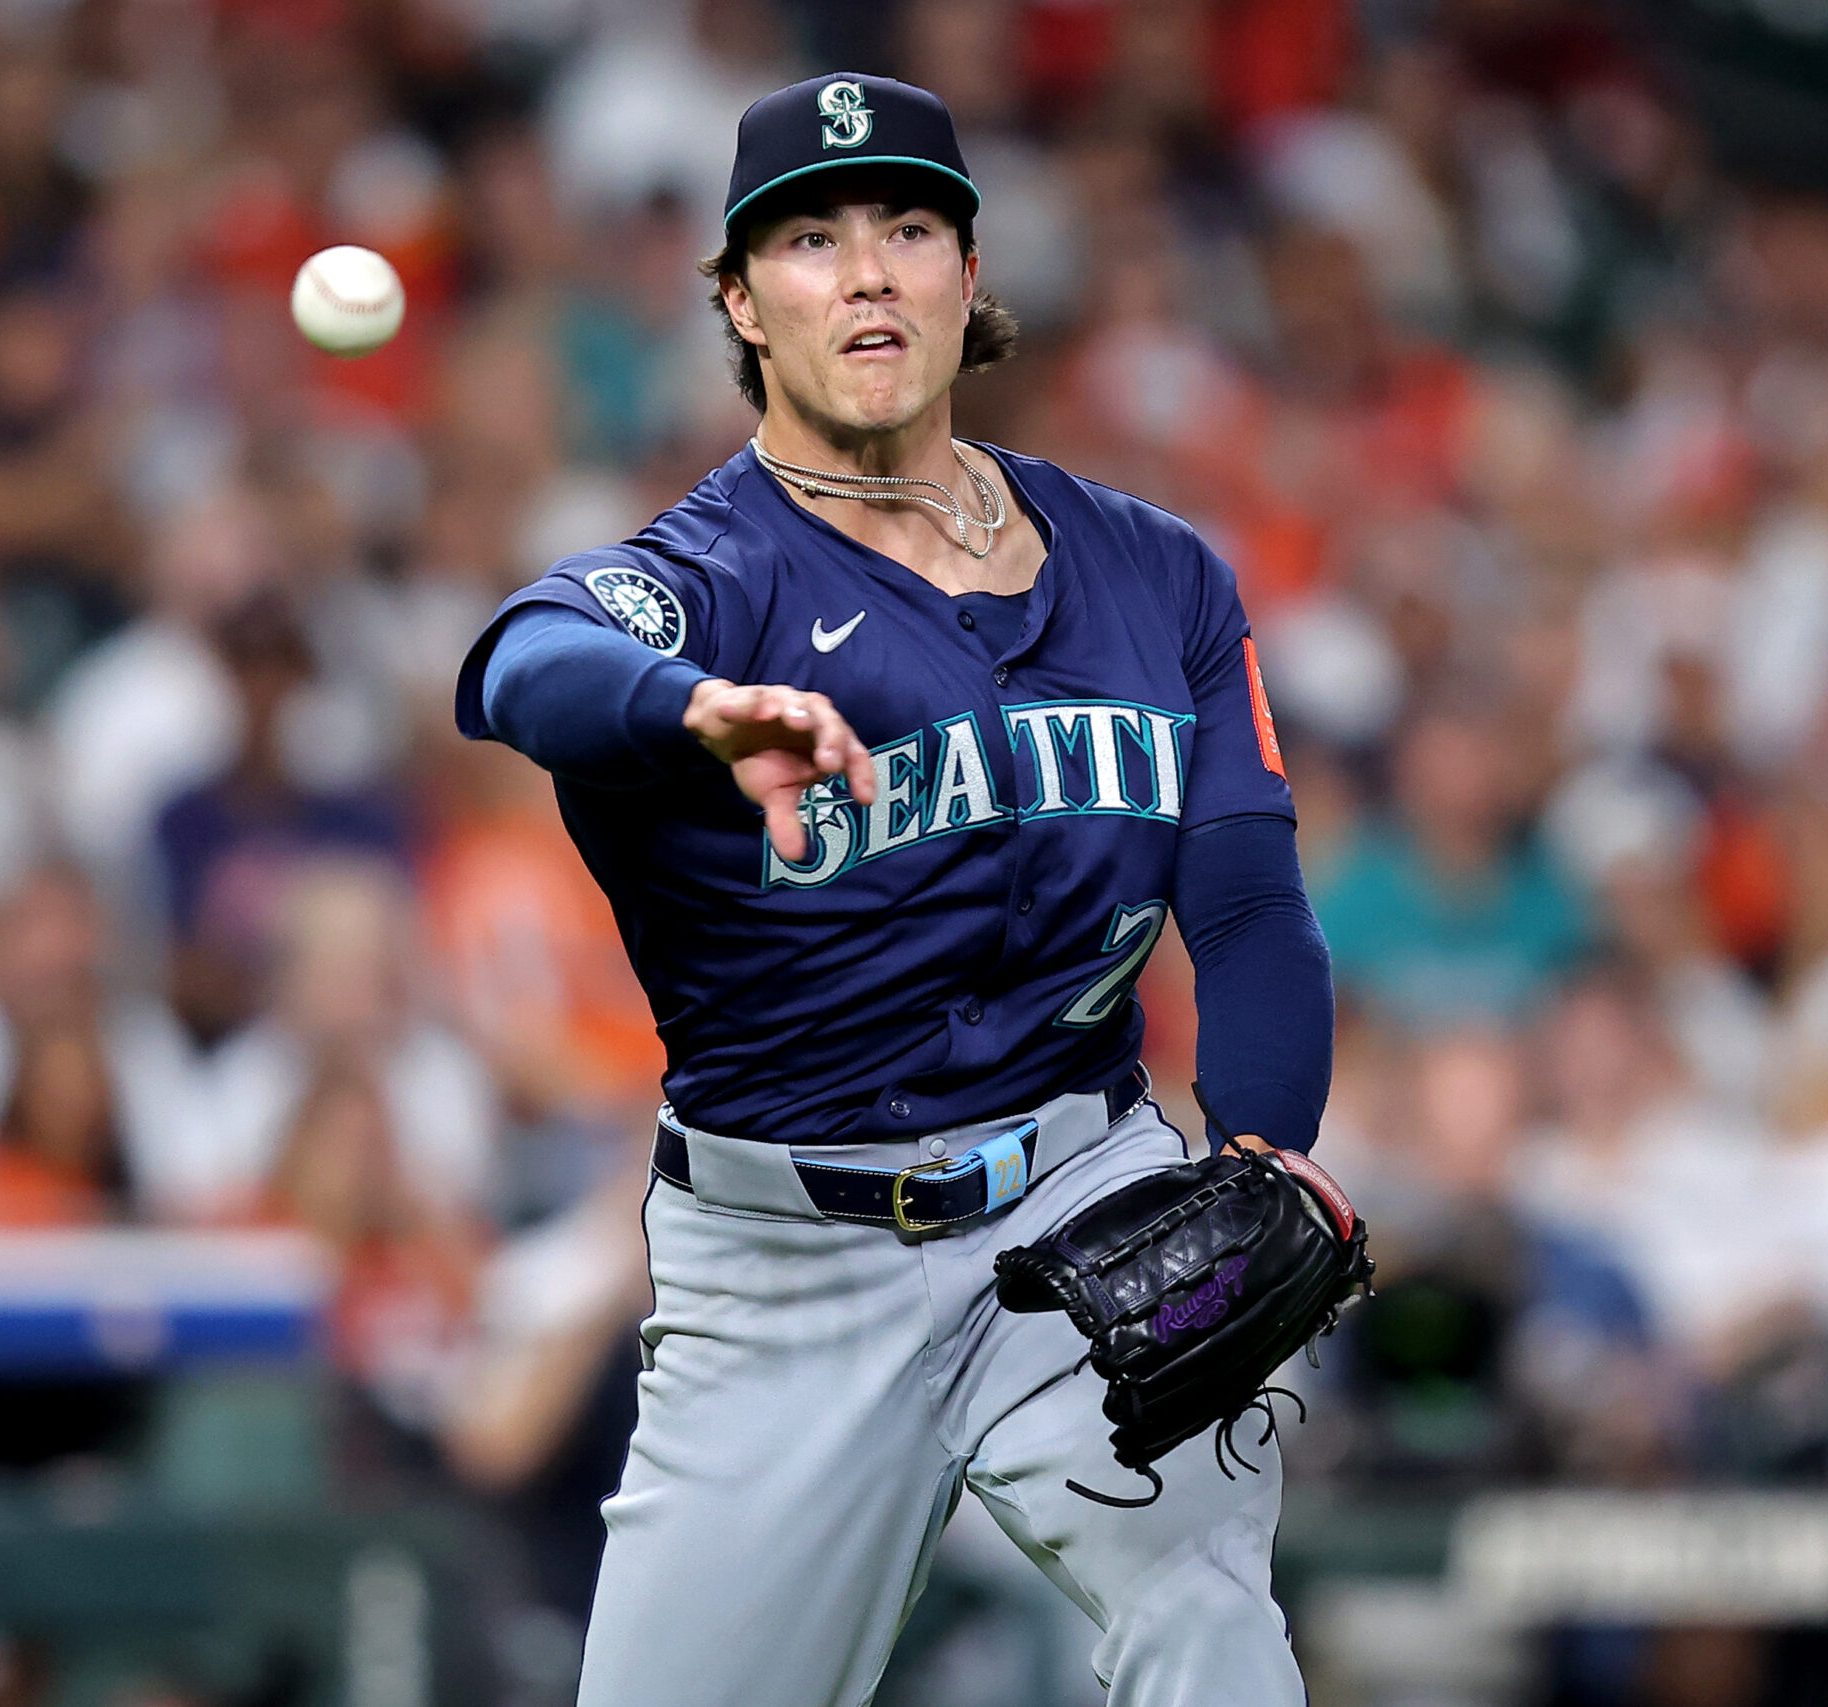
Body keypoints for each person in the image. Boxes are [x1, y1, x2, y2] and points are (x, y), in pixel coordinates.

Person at [455, 74, 1332, 1707]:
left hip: (1087, 1202)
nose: (866, 271)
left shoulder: (1157, 575)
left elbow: (1250, 907)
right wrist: (693, 710)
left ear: (966, 275)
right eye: (810, 238)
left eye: (908, 227)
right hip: (785, 1265)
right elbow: (529, 662)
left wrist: (1271, 1146)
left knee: (1205, 1614)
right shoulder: (709, 580)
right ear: (741, 303)